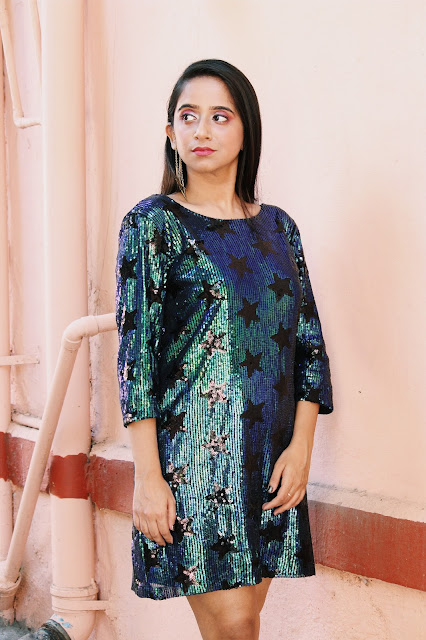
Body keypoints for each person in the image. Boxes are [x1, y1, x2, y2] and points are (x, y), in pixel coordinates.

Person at [115, 59, 333, 640]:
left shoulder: (279, 228)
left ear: (245, 130)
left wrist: (302, 449)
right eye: (188, 117)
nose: (202, 131)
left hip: (270, 461)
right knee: (235, 623)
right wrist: (147, 477)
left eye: (219, 116)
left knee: (243, 625)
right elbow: (136, 357)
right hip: (193, 459)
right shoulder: (152, 224)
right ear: (171, 134)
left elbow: (308, 345)